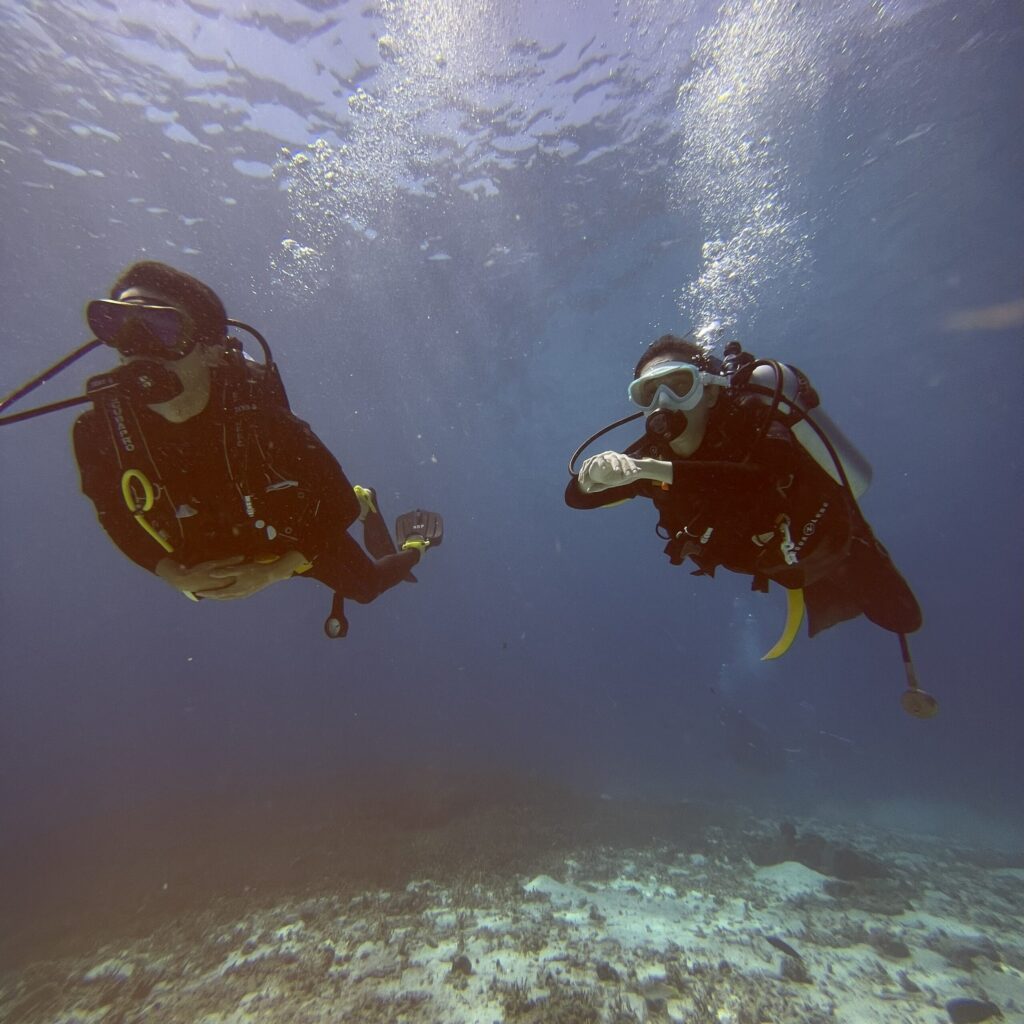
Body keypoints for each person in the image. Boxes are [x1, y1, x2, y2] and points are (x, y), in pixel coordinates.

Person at [71, 260, 442, 638]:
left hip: (288, 533)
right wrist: (173, 573)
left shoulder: (265, 423)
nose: (139, 351)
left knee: (366, 589)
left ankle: (417, 543)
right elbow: (114, 513)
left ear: (212, 350)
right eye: (118, 324)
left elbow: (338, 504)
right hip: (204, 538)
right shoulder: (98, 431)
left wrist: (273, 571)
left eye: (163, 329)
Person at [566, 334, 931, 713]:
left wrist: (654, 471)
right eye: (648, 393)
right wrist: (592, 476)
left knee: (903, 616)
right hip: (772, 563)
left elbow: (761, 479)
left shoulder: (751, 416)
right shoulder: (648, 456)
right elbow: (576, 498)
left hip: (835, 539)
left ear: (709, 391)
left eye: (678, 386)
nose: (663, 404)